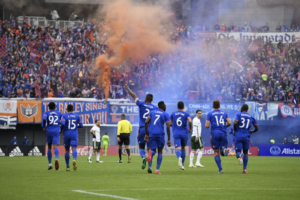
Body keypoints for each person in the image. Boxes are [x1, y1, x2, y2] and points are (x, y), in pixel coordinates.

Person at [124, 82, 157, 169]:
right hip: (151, 130)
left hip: (142, 128)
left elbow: (134, 96)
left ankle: (143, 158)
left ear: (145, 99)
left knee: (141, 147)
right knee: (150, 149)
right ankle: (150, 167)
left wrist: (128, 88)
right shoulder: (155, 108)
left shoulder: (141, 104)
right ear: (152, 100)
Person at [205, 100, 232, 174]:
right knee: (222, 152)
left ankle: (220, 169)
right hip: (223, 133)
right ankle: (223, 149)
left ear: (212, 106)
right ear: (219, 106)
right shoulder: (224, 113)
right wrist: (224, 126)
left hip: (215, 134)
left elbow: (207, 125)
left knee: (216, 152)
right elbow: (229, 122)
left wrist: (206, 125)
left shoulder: (210, 114)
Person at [144, 101, 171, 174]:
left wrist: (146, 134)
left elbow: (146, 122)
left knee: (152, 150)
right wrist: (169, 139)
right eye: (165, 105)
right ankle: (157, 170)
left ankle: (149, 166)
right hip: (160, 135)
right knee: (160, 151)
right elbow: (168, 126)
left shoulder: (152, 112)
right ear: (163, 106)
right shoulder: (165, 114)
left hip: (152, 134)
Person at [234, 104, 259, 174]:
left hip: (239, 135)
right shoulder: (251, 117)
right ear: (247, 109)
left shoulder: (239, 115)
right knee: (246, 153)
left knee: (238, 152)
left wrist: (235, 131)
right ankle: (244, 169)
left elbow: (235, 123)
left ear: (241, 109)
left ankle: (240, 156)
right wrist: (251, 131)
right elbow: (257, 128)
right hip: (246, 136)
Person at [170, 101, 192, 170]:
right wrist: (190, 128)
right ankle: (182, 165)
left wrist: (172, 124)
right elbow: (190, 121)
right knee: (183, 149)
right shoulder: (186, 114)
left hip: (176, 133)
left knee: (177, 148)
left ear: (177, 107)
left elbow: (170, 123)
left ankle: (179, 157)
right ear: (183, 107)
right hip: (184, 133)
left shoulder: (173, 113)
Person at [61, 104, 83, 171]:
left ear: (67, 109)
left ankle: (67, 167)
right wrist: (76, 126)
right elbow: (81, 125)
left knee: (67, 150)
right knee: (74, 149)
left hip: (66, 134)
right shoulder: (77, 116)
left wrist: (61, 130)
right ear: (73, 109)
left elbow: (62, 124)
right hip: (74, 134)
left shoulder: (64, 116)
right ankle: (74, 159)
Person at [42, 102, 62, 170]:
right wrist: (60, 128)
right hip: (56, 131)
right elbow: (62, 121)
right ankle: (56, 159)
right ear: (55, 107)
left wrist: (44, 126)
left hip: (49, 131)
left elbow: (44, 119)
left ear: (49, 107)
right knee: (55, 146)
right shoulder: (59, 113)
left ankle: (50, 164)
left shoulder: (46, 113)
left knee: (49, 147)